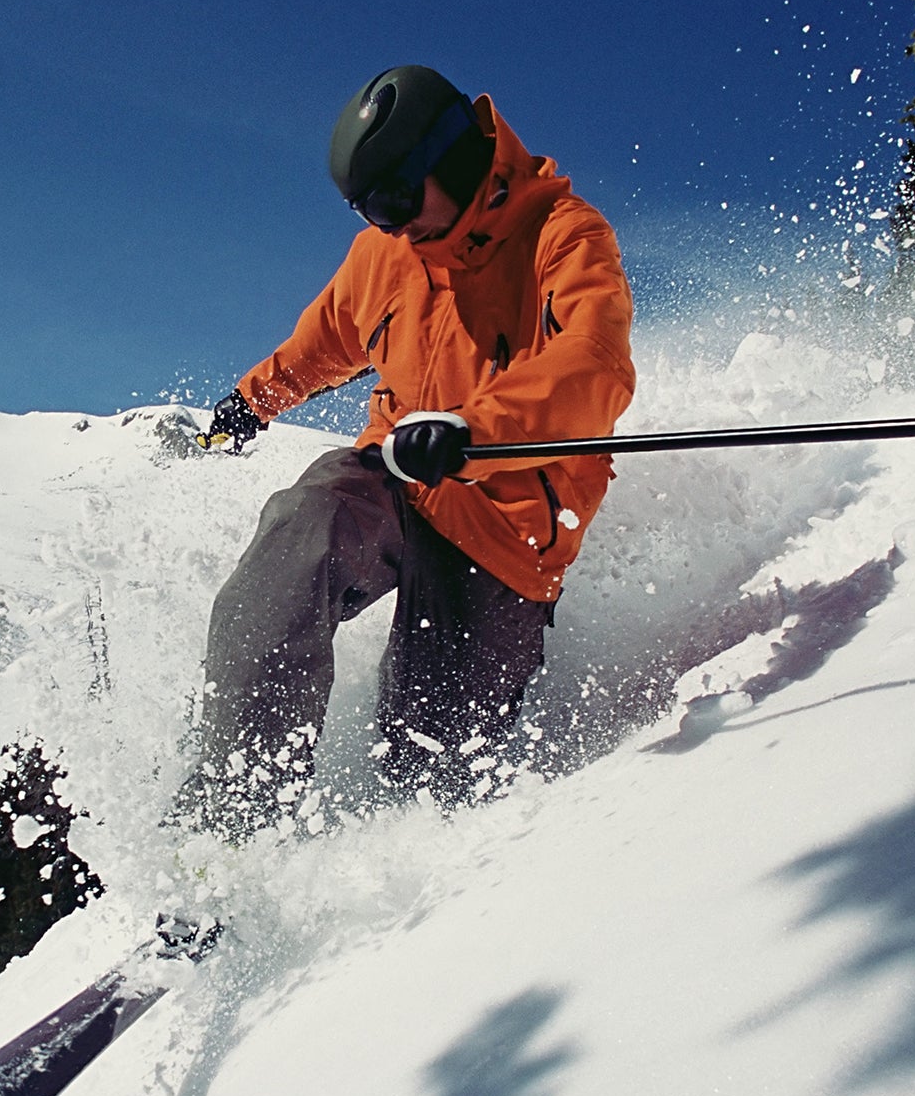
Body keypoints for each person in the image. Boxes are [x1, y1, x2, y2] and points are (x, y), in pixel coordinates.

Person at [172, 65, 636, 841]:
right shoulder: (384, 257)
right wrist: (247, 407)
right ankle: (226, 830)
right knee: (299, 534)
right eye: (368, 210)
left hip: (505, 533)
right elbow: (318, 346)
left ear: (449, 157)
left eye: (394, 200)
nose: (388, 225)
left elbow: (595, 366)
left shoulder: (565, 237)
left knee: (430, 777)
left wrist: (474, 432)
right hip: (393, 478)